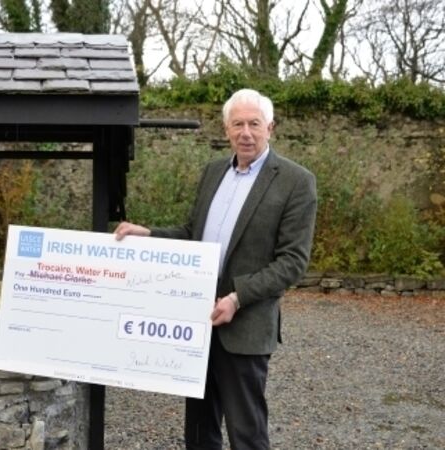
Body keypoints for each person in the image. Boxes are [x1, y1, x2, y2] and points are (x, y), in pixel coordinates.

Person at [114, 88, 317, 450]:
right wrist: (148, 235)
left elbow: (292, 261)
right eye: (237, 124)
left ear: (270, 127)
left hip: (246, 326)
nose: (246, 133)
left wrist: (237, 298)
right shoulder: (213, 173)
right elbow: (193, 235)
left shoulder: (295, 181)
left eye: (254, 124)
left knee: (247, 433)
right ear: (226, 129)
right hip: (196, 320)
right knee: (199, 430)